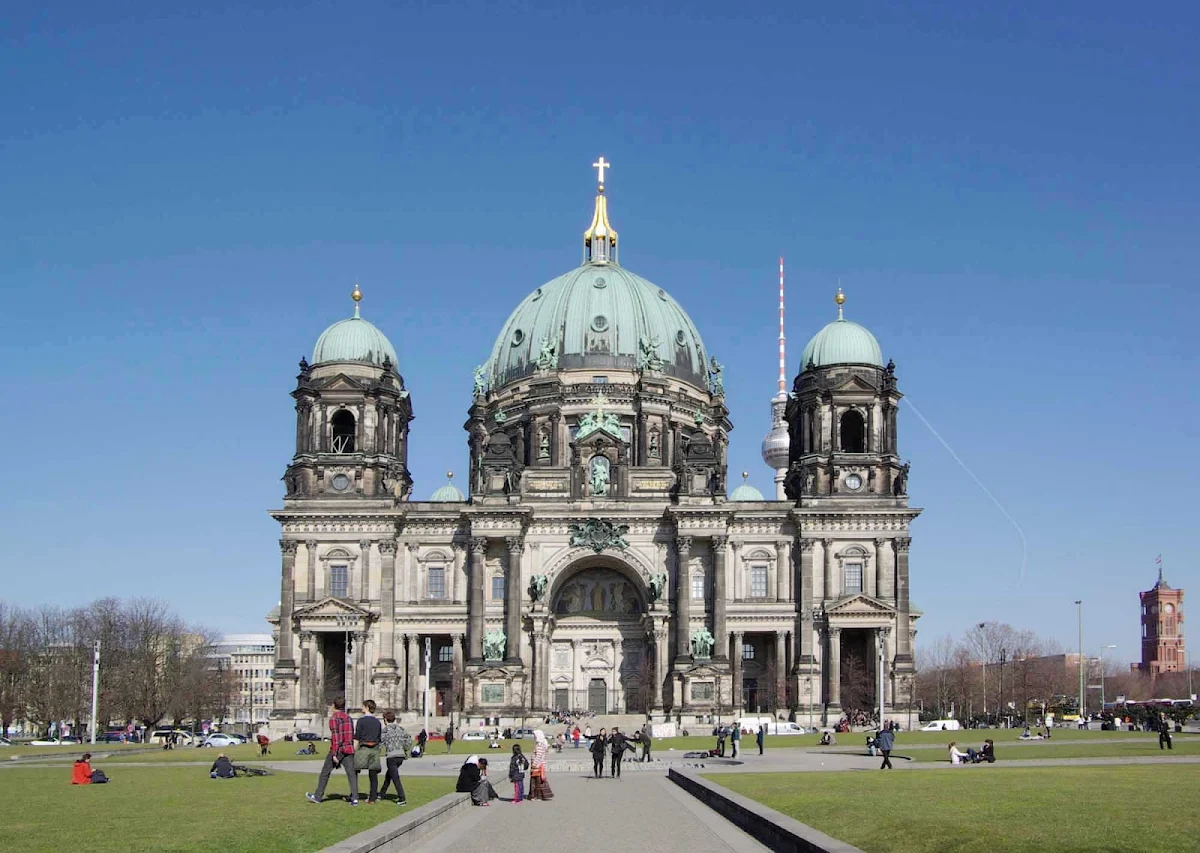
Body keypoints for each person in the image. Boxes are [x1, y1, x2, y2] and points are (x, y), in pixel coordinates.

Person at [306, 695, 360, 805]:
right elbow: (350, 735)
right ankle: (355, 798)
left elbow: (336, 738)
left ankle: (318, 796)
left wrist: (335, 754)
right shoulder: (348, 718)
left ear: (334, 706)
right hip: (348, 748)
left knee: (325, 773)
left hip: (338, 749)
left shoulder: (334, 718)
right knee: (351, 774)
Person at [355, 699, 383, 804]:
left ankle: (354, 794)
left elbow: (357, 736)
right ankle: (372, 798)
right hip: (374, 749)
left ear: (367, 707)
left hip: (363, 748)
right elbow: (379, 737)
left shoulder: (361, 721)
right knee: (373, 775)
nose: (361, 708)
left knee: (355, 771)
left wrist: (354, 749)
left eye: (363, 706)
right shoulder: (377, 722)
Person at [379, 710, 411, 806]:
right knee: (389, 775)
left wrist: (377, 752)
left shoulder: (385, 730)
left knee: (395, 778)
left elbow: (380, 743)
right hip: (400, 756)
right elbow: (408, 741)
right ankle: (382, 793)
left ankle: (402, 798)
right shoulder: (401, 729)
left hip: (391, 756)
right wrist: (404, 748)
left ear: (385, 720)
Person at [528, 730, 554, 800]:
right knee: (538, 781)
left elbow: (538, 756)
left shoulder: (539, 745)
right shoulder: (541, 744)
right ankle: (538, 795)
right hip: (538, 765)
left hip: (537, 766)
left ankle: (537, 795)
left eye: (534, 735)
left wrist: (534, 764)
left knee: (537, 781)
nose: (534, 737)